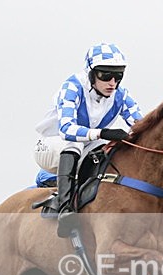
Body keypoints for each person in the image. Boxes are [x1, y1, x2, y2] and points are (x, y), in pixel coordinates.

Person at [33, 43, 143, 237]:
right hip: (51, 145)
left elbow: (141, 124)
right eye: (105, 76)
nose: (112, 83)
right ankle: (64, 208)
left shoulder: (121, 95)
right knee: (76, 143)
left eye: (118, 76)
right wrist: (102, 133)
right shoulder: (72, 87)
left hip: (86, 145)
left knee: (111, 150)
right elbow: (67, 129)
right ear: (91, 73)